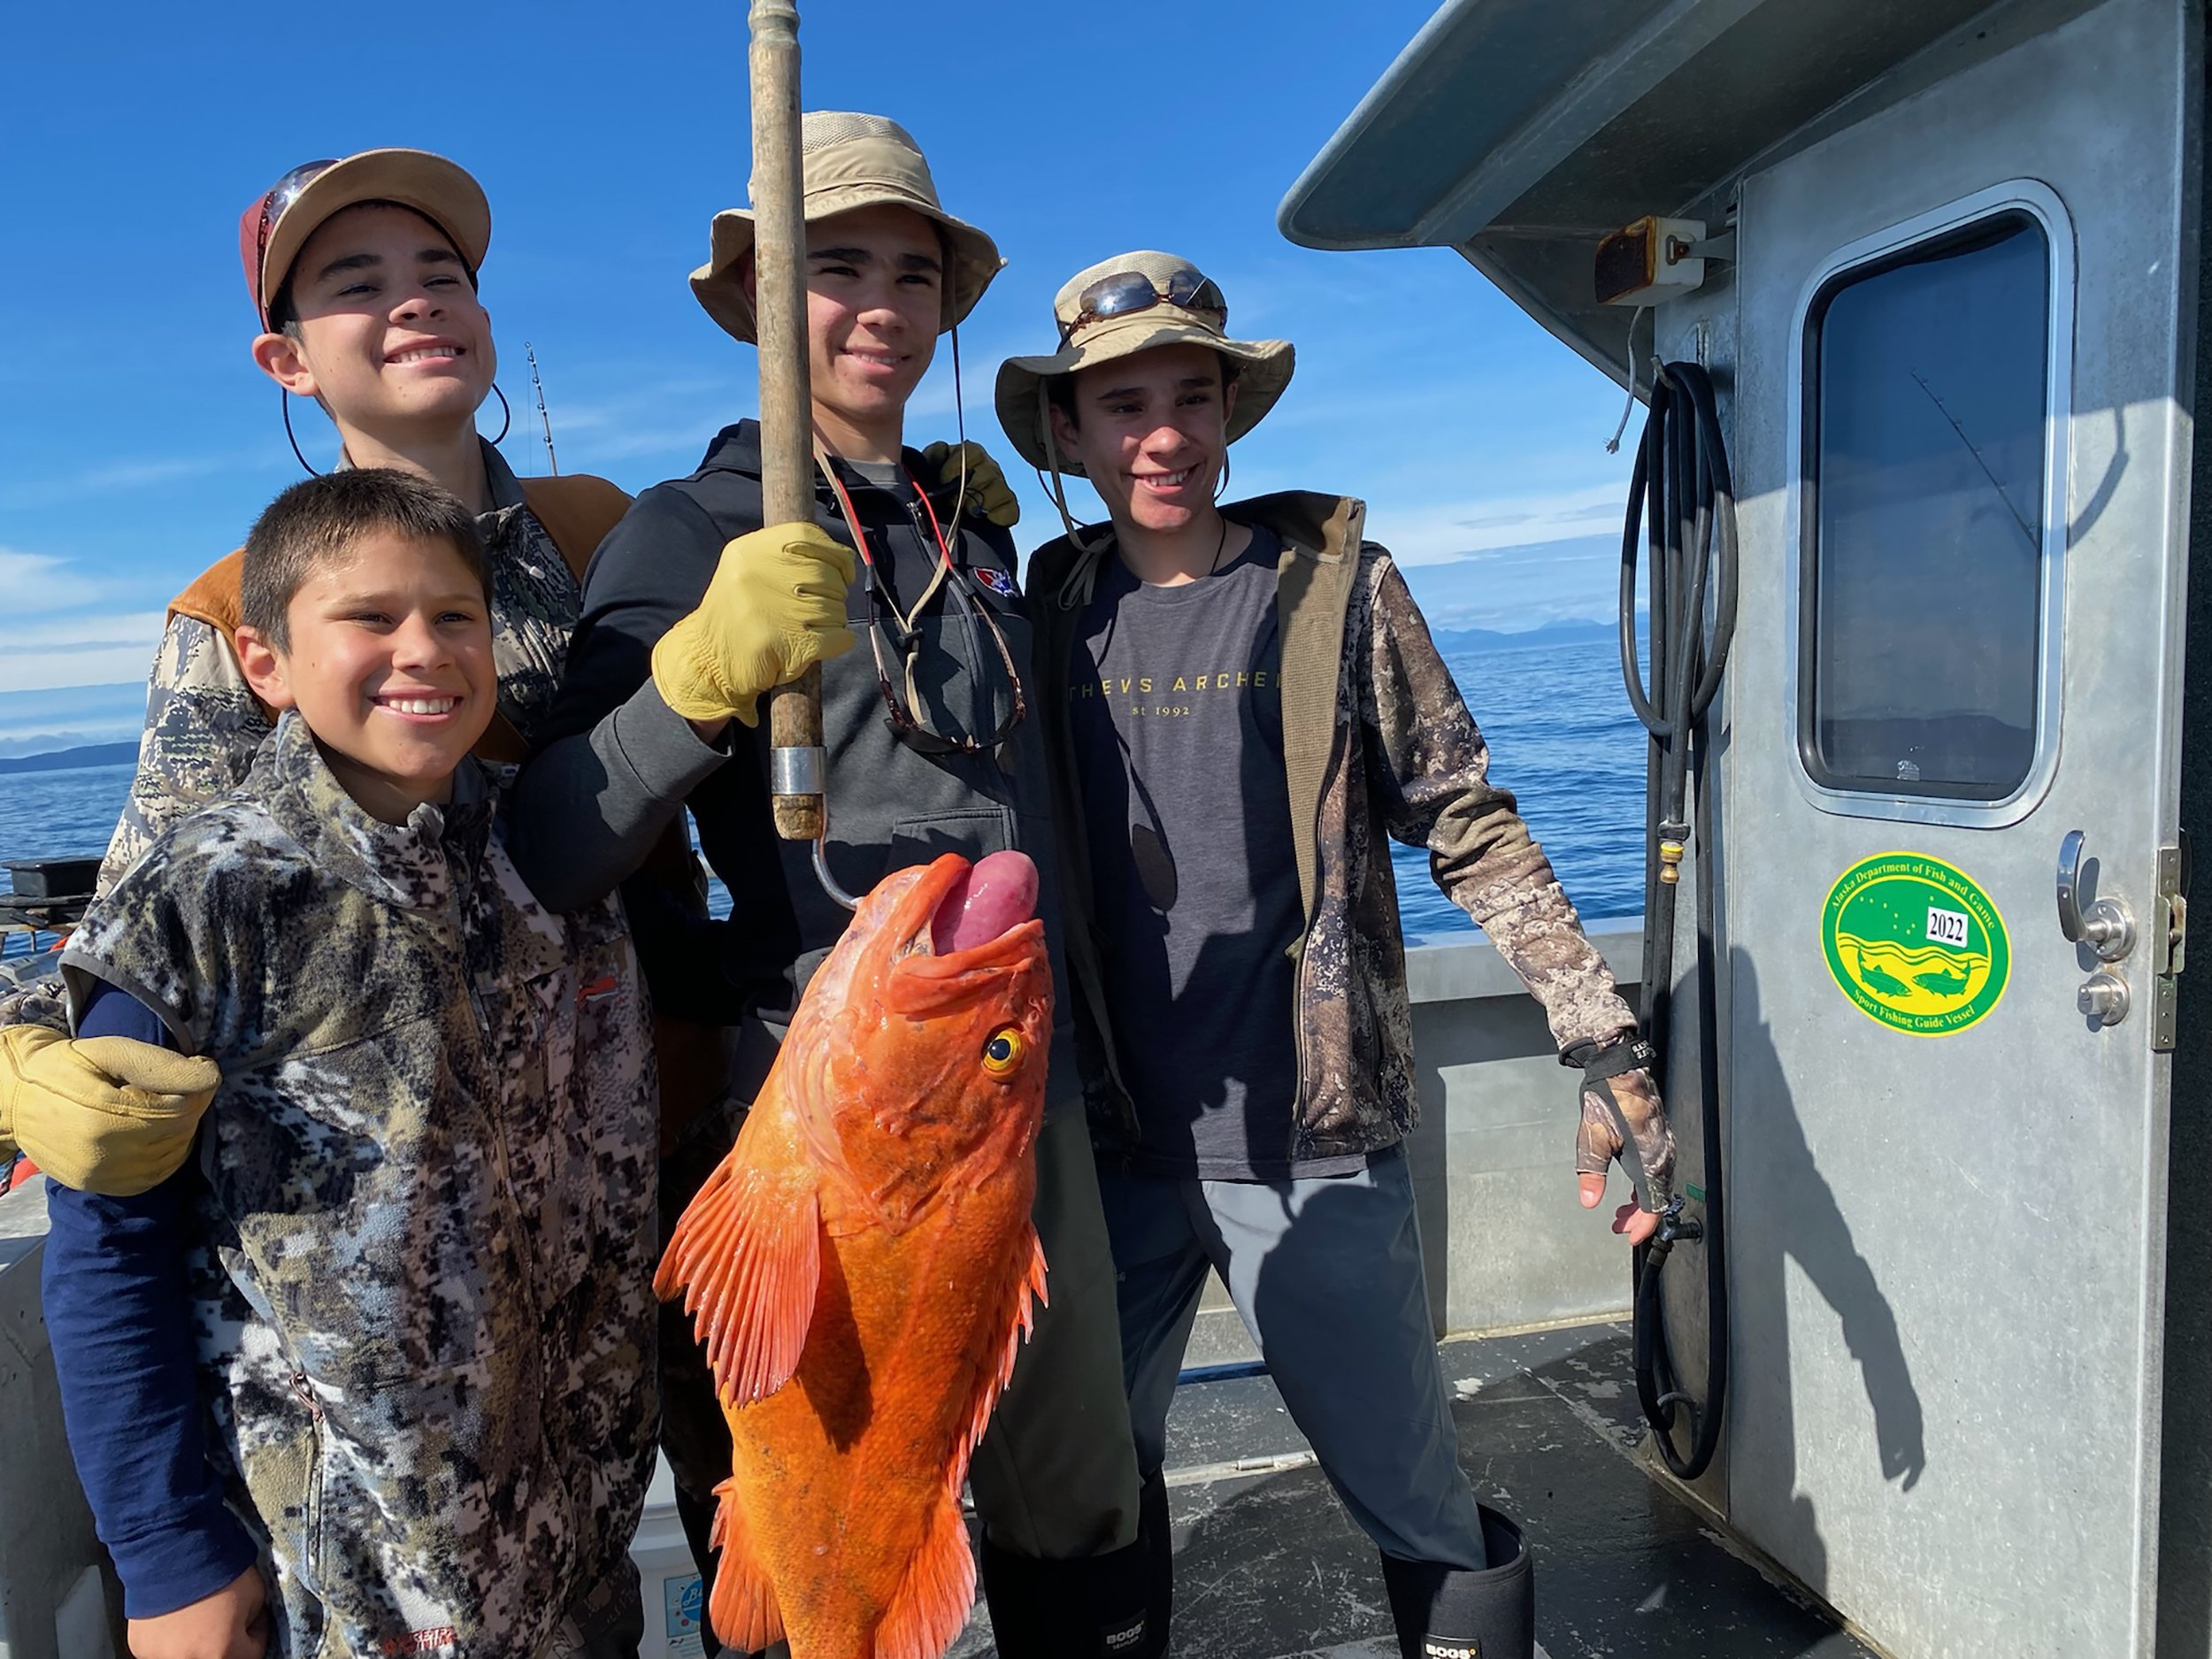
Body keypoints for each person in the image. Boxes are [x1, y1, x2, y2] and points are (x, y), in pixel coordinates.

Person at [509, 113, 1157, 1657]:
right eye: (833, 267)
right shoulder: (686, 530)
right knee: (821, 1503)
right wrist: (694, 684)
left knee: (1084, 1496)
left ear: (946, 306)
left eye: (911, 272)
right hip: (833, 1104)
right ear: (756, 304)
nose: (877, 304)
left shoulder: (967, 520)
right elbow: (548, 842)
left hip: (1019, 1092)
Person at [995, 251, 1681, 1659]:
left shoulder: (1340, 591)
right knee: (1069, 1497)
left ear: (1235, 413)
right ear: (1070, 432)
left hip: (1309, 1137)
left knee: (1411, 1490)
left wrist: (1603, 1039)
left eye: (1194, 395)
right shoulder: (1045, 606)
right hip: (1106, 1146)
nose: (1166, 433)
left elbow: (1470, 823)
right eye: (1124, 405)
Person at [42, 469, 658, 1659]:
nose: (422, 649)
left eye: (454, 615)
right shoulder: (208, 897)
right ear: (264, 664)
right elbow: (104, 1240)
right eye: (369, 619)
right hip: (343, 1576)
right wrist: (167, 1549)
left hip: (576, 1546)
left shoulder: (549, 853)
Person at [0, 148, 660, 1202]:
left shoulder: (606, 525)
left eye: (443, 274)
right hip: (414, 1182)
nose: (416, 302)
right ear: (287, 362)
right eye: (359, 285)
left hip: (660, 1111)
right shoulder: (232, 616)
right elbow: (142, 913)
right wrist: (24, 1058)